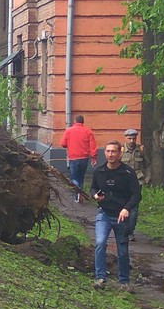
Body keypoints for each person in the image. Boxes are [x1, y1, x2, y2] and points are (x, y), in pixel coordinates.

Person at [90, 140, 140, 288]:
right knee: (100, 243)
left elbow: (136, 195)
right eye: (107, 151)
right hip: (103, 213)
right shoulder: (99, 171)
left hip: (121, 216)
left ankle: (124, 281)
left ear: (119, 154)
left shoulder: (127, 173)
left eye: (113, 152)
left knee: (122, 249)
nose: (110, 154)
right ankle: (100, 278)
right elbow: (93, 188)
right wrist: (95, 196)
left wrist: (127, 208)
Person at [58, 115, 97, 201]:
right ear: (83, 122)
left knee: (74, 177)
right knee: (81, 177)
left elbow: (63, 143)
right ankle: (80, 193)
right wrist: (93, 158)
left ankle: (77, 193)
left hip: (73, 158)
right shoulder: (88, 131)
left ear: (75, 121)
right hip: (85, 158)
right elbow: (93, 146)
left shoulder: (69, 131)